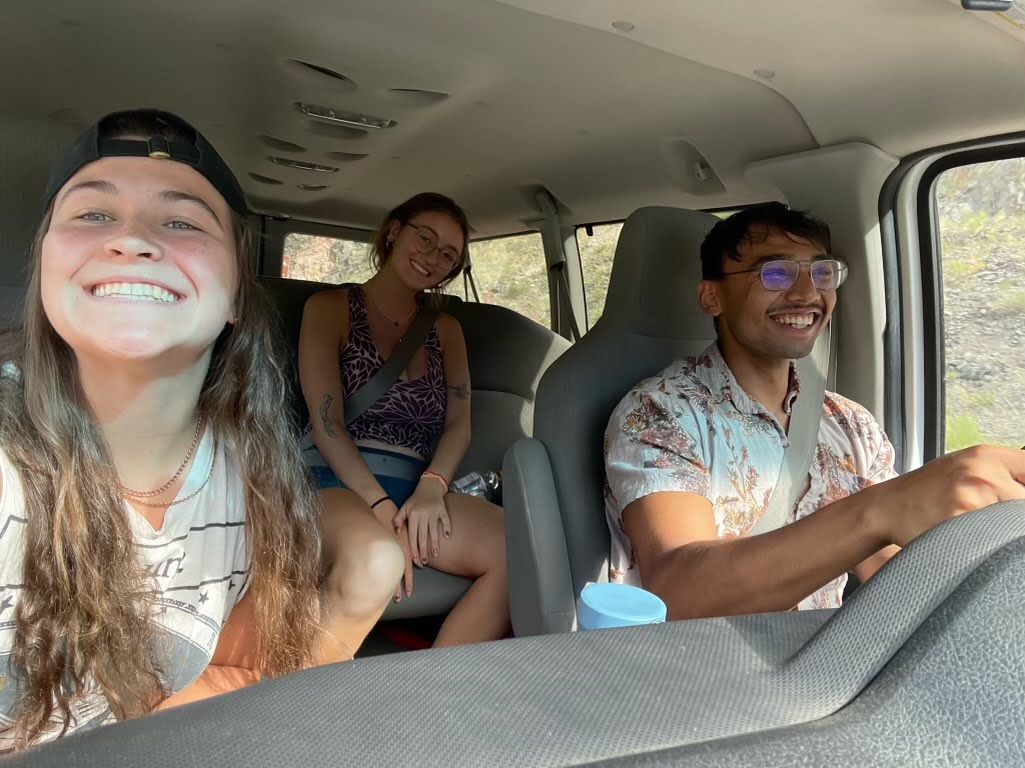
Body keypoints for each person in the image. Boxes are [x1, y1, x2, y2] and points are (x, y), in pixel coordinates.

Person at [0, 110, 321, 750]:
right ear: (43, 273)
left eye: (181, 222)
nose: (133, 240)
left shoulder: (251, 472)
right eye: (93, 214)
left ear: (234, 295)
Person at [604, 202, 1025, 620]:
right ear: (712, 296)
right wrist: (881, 509)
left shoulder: (850, 423)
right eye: (776, 273)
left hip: (821, 663)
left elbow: (896, 579)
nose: (808, 294)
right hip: (698, 672)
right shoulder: (659, 411)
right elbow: (679, 593)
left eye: (822, 272)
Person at [299, 193, 509, 654]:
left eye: (448, 254)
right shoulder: (328, 307)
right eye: (425, 237)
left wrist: (433, 486)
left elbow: (459, 423)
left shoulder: (446, 330)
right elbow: (327, 421)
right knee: (377, 555)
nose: (433, 256)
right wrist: (377, 507)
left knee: (520, 548)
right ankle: (305, 702)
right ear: (394, 230)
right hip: (334, 482)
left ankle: (432, 696)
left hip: (416, 489)